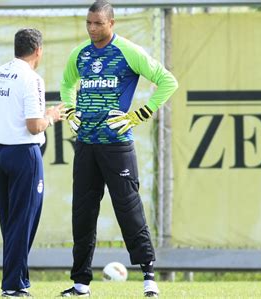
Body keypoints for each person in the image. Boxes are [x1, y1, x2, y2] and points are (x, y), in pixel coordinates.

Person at [59, 1, 178, 297]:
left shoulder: (128, 51)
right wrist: (71, 111)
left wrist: (140, 115)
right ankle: (80, 283)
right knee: (83, 213)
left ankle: (149, 277)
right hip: (86, 144)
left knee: (128, 208)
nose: (92, 28)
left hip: (116, 145)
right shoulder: (80, 53)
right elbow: (65, 83)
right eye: (88, 22)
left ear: (111, 23)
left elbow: (167, 81)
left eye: (98, 23)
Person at [0, 28, 64, 297]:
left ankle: (13, 281)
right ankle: (14, 286)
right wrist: (52, 116)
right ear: (38, 50)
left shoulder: (0, 71)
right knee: (24, 220)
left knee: (10, 221)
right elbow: (34, 126)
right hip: (23, 154)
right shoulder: (32, 78)